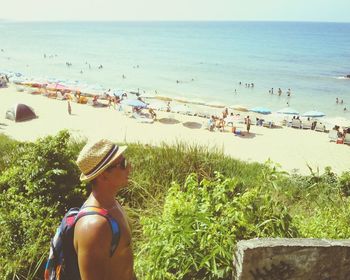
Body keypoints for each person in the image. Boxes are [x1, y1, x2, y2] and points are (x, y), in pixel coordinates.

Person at [74, 139, 135, 279]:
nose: (129, 167)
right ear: (103, 175)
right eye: (123, 164)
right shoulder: (94, 226)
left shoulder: (112, 203)